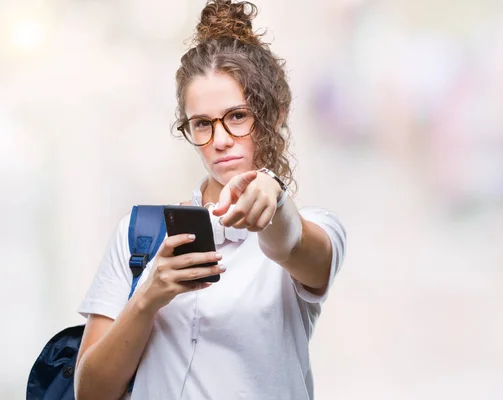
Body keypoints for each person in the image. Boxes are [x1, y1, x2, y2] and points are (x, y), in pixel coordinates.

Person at [73, 1, 346, 399]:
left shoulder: (318, 227)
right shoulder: (141, 236)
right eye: (202, 124)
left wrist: (273, 194)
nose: (219, 141)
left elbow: (290, 244)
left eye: (237, 116)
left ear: (275, 115)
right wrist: (150, 295)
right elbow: (90, 392)